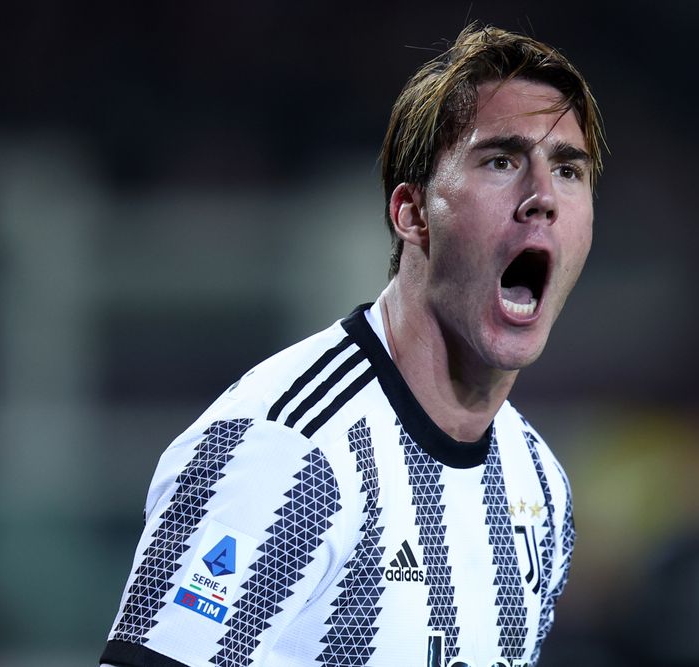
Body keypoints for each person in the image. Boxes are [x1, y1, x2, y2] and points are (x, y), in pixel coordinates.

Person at [100, 22, 603, 667]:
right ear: (412, 212)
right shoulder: (288, 453)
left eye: (568, 170)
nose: (541, 199)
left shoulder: (536, 485)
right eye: (501, 161)